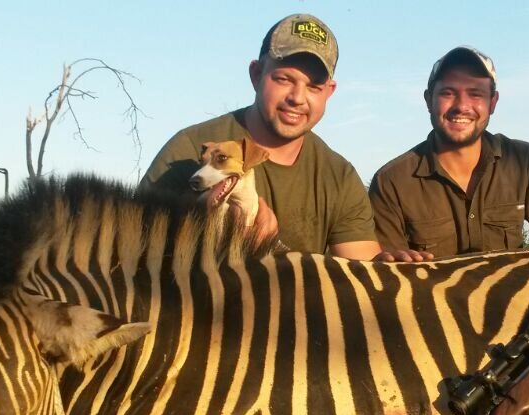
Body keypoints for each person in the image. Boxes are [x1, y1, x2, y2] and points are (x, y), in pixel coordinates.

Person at [141, 14, 384, 259]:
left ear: (329, 92)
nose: (297, 98)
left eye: (314, 87)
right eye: (283, 79)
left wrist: (392, 265)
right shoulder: (188, 149)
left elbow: (362, 270)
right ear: (256, 75)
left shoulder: (340, 177)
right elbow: (132, 249)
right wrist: (205, 231)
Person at [369, 46, 529, 260]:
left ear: (493, 102)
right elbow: (387, 270)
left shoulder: (525, 162)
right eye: (448, 93)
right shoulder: (392, 182)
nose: (462, 105)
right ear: (429, 100)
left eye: (475, 94)